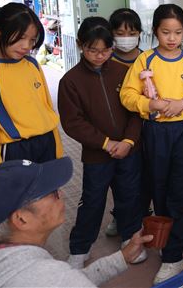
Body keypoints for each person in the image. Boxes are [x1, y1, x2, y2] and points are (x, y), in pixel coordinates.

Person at [0, 157, 152, 287]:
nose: (62, 194)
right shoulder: (51, 277)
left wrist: (122, 258)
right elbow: (60, 281)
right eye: (52, 193)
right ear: (21, 218)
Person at [58, 17, 146, 269]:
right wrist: (106, 143)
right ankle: (80, 249)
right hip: (97, 155)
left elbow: (135, 111)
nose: (99, 56)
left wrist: (128, 141)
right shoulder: (71, 81)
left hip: (129, 151)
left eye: (106, 50)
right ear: (80, 45)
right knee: (92, 201)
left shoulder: (122, 72)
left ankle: (130, 240)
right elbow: (73, 123)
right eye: (92, 50)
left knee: (130, 196)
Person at [120, 4, 183, 284]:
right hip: (154, 132)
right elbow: (127, 95)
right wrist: (149, 104)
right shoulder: (146, 60)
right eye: (166, 32)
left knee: (182, 190)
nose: (172, 38)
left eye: (178, 32)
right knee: (158, 187)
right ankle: (164, 238)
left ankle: (175, 254)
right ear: (155, 32)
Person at [0, 3, 63, 174]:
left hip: (47, 144)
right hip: (15, 150)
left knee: (48, 190)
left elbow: (46, 108)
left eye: (32, 40)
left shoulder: (32, 64)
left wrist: (56, 148)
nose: (26, 46)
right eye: (21, 37)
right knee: (19, 192)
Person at [106, 7, 145, 237]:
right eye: (120, 33)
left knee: (142, 177)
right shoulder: (106, 61)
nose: (126, 38)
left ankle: (141, 214)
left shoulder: (147, 59)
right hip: (118, 132)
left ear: (140, 33)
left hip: (145, 128)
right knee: (121, 180)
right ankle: (119, 214)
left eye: (132, 33)